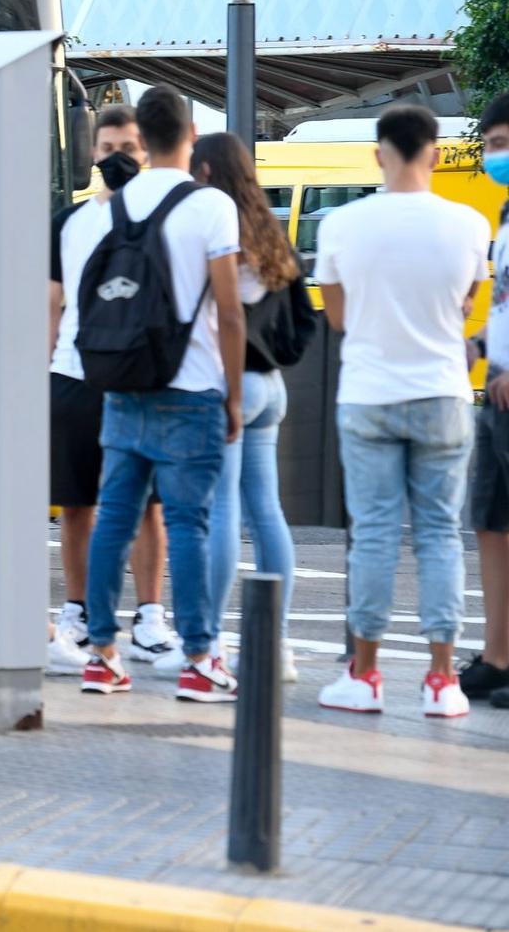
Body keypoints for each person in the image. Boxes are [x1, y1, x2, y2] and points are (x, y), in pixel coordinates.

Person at [313, 103, 488, 718]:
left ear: (378, 154)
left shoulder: (341, 224)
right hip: (443, 392)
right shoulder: (469, 225)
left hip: (368, 395)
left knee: (375, 537)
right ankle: (443, 681)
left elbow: (336, 318)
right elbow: (467, 304)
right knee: (441, 536)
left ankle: (364, 674)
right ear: (435, 154)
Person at [77, 85, 244, 705]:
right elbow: (230, 312)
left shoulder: (112, 206)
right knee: (188, 523)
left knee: (112, 521)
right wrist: (231, 396)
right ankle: (199, 659)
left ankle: (100, 655)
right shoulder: (211, 207)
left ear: (141, 141)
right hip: (192, 387)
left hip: (122, 385)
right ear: (191, 133)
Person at [50, 105, 176, 666]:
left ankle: (150, 616)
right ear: (92, 154)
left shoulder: (165, 215)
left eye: (128, 148)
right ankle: (76, 611)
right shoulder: (68, 221)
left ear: (147, 152)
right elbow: (50, 305)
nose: (116, 159)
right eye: (106, 150)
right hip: (74, 375)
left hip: (141, 377)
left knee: (148, 505)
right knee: (77, 504)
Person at [192, 131, 305, 684]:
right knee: (266, 512)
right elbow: (301, 318)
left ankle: (208, 640)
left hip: (228, 385)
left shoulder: (217, 232)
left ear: (208, 172)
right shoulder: (271, 233)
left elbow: (219, 315)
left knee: (220, 515)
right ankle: (275, 644)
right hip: (272, 386)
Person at [465, 93, 509, 709]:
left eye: (504, 143)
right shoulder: (503, 215)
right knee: (492, 521)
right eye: (491, 146)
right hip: (495, 386)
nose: (496, 156)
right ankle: (498, 656)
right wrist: (475, 344)